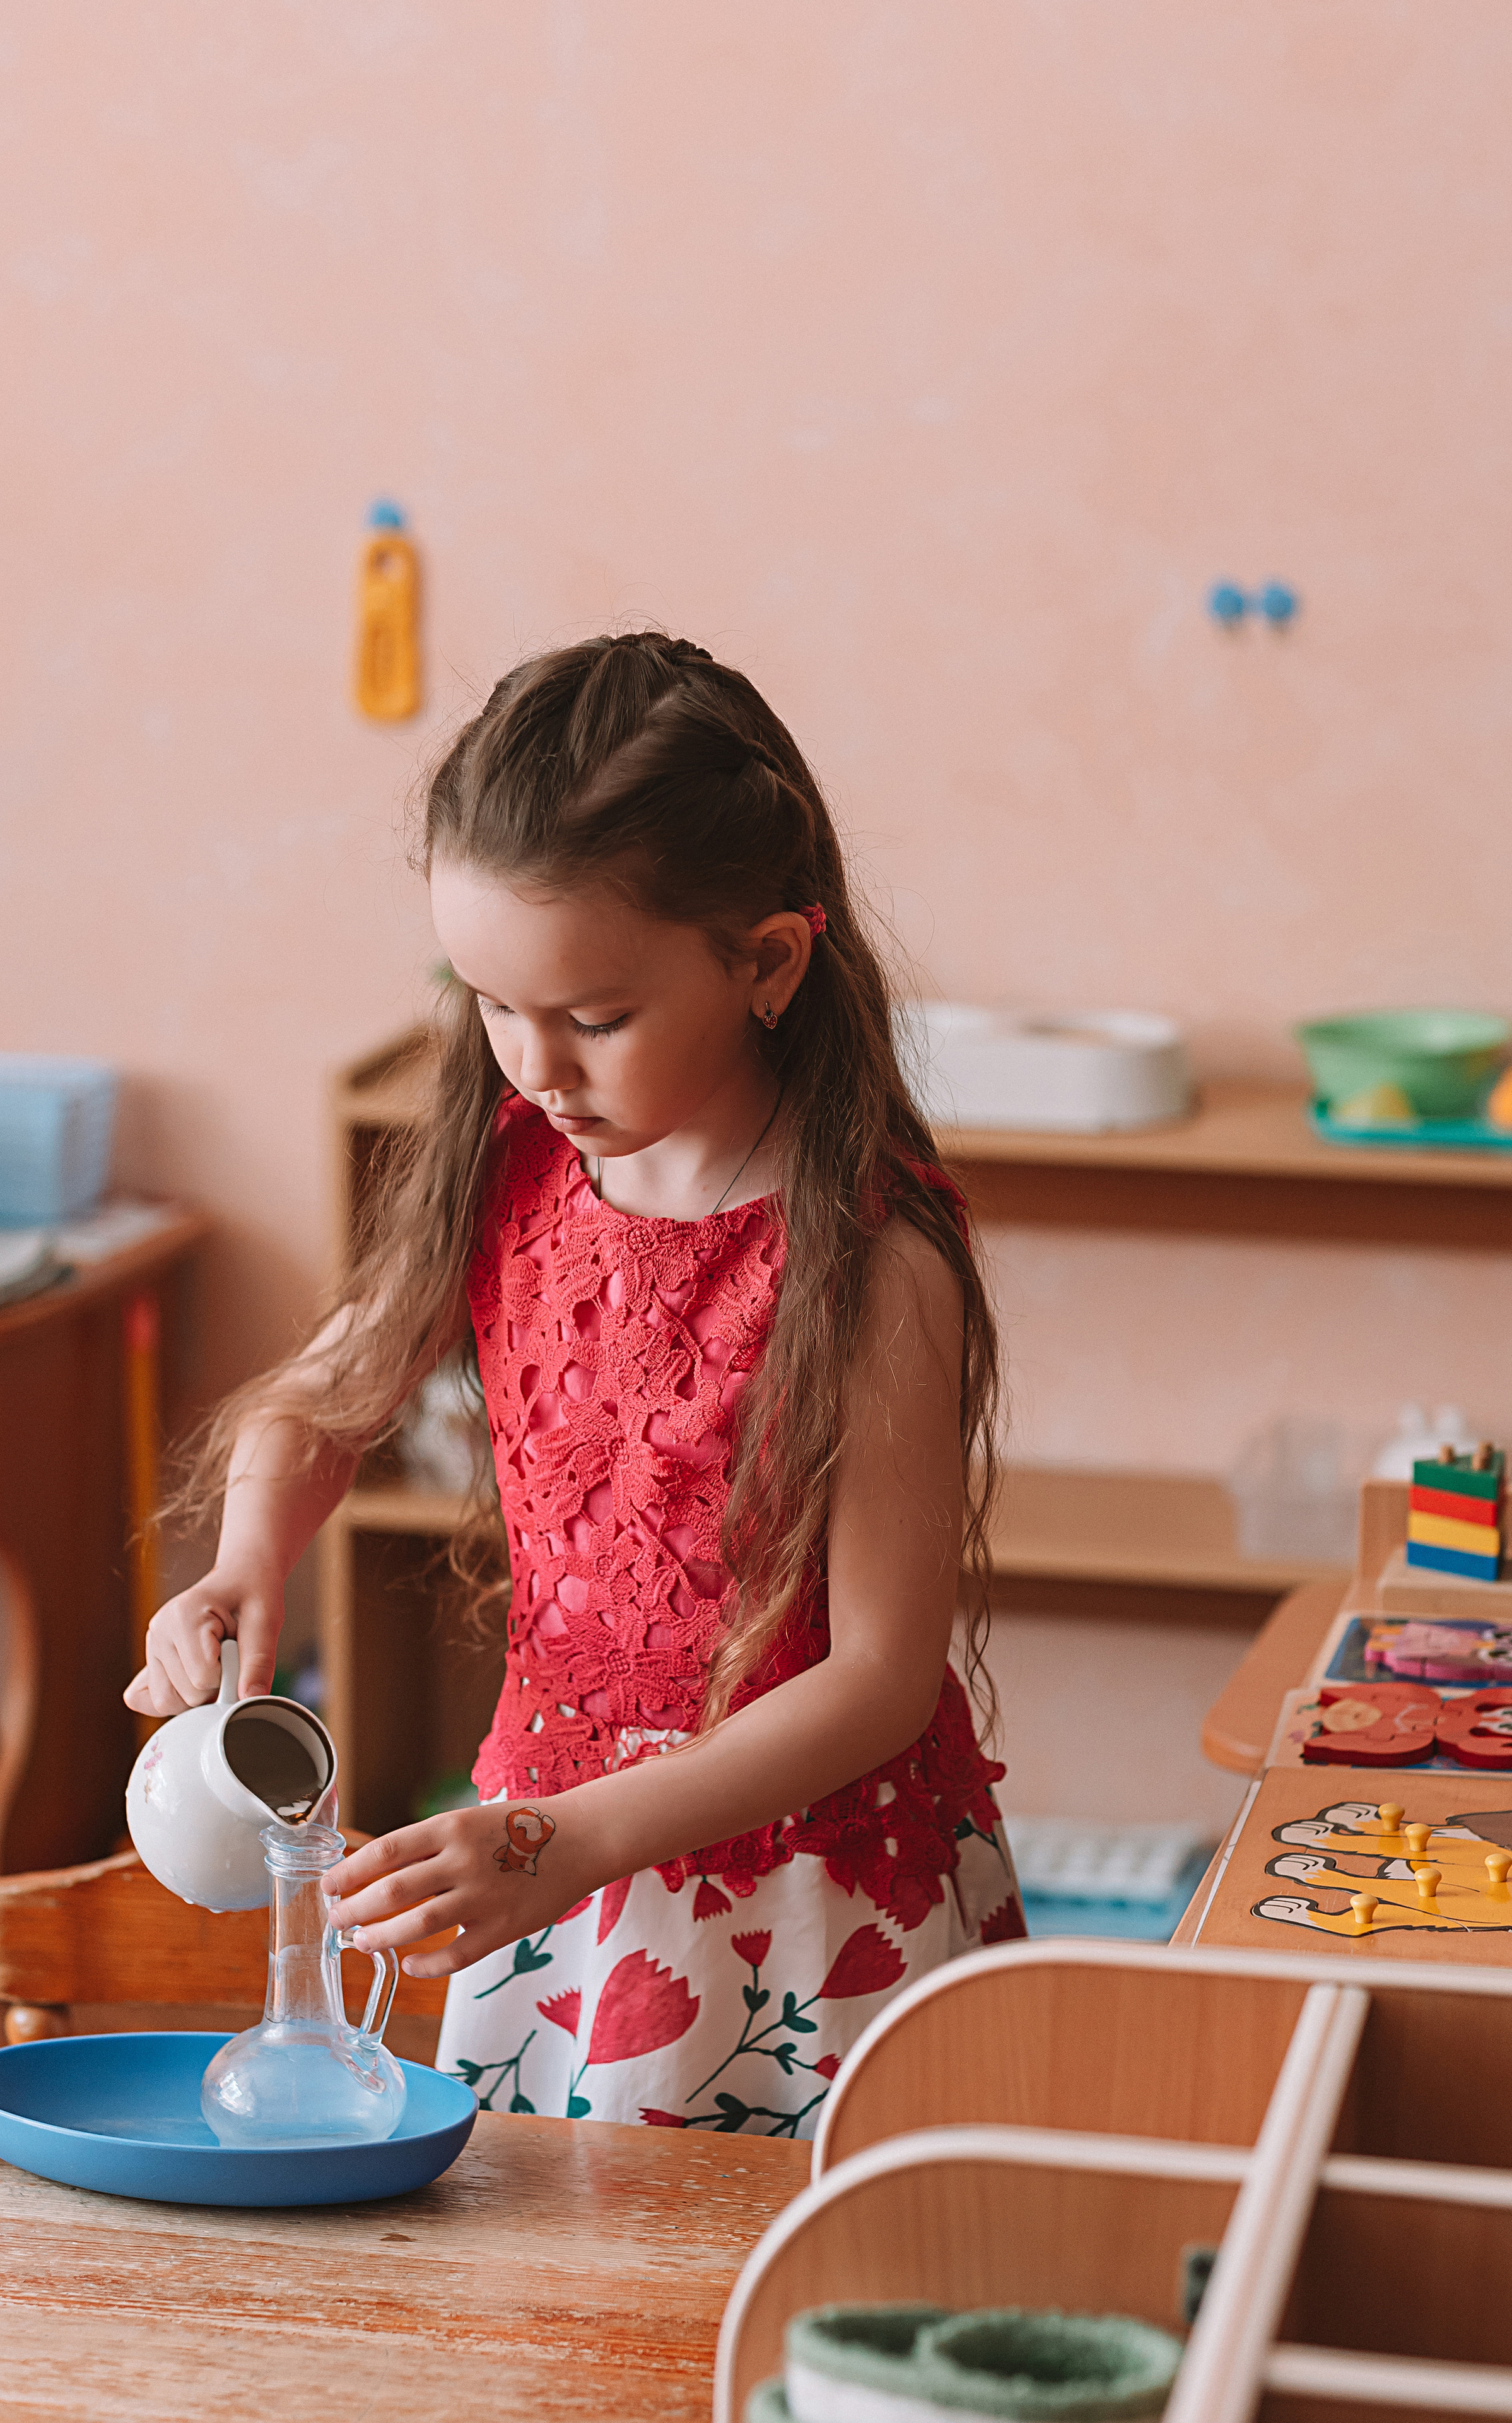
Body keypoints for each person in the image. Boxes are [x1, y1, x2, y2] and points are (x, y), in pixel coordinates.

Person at [126, 632, 1023, 2138]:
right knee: (549, 2266)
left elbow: (876, 1681)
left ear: (766, 964)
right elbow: (322, 1400)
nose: (532, 1065)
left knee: (761, 2277)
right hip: (541, 1860)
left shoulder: (867, 1255)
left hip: (800, 1903)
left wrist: (569, 1842)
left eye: (592, 1019)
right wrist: (244, 1560)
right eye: (488, 1002)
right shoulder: (511, 1161)